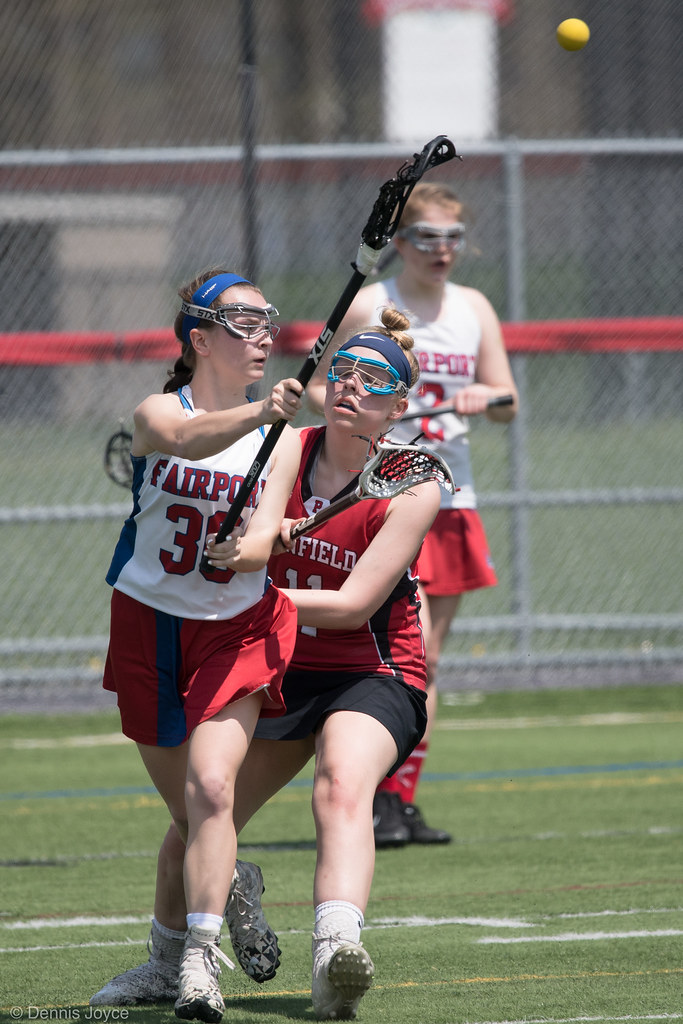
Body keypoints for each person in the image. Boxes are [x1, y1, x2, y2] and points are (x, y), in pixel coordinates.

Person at [90, 307, 442, 1021]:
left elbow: (350, 605)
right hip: (279, 665)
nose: (349, 387)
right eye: (341, 371)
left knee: (341, 782)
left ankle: (335, 952)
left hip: (371, 670)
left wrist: (256, 590)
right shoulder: (286, 447)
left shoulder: (412, 480)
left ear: (397, 405)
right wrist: (241, 559)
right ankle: (165, 964)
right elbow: (254, 540)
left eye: (372, 381)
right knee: (201, 807)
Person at [98, 267, 304, 1023]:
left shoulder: (279, 433)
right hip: (149, 621)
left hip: (236, 628)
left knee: (214, 791)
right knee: (193, 819)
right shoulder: (159, 412)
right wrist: (259, 414)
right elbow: (182, 437)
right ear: (200, 338)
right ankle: (221, 895)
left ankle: (195, 966)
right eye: (244, 324)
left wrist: (245, 552)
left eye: (267, 324)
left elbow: (259, 541)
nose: (263, 338)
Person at [306, 182, 518, 848]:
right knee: (383, 653)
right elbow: (318, 384)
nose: (441, 251)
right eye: (426, 237)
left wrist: (489, 397)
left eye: (452, 238)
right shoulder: (373, 302)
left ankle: (394, 799)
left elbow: (507, 398)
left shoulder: (473, 308)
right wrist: (361, 412)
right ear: (399, 241)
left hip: (447, 501)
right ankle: (361, 793)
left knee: (425, 660)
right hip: (375, 495)